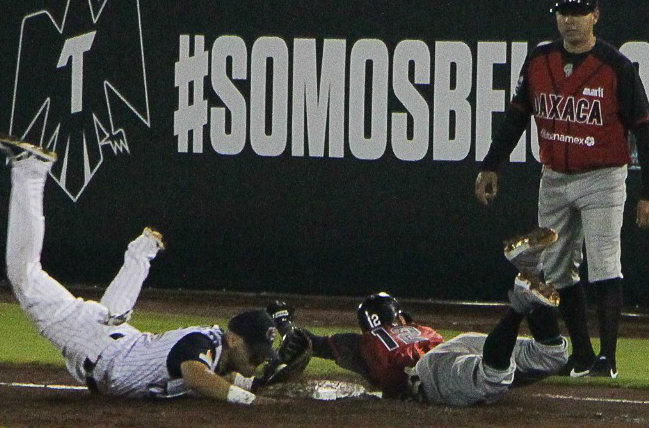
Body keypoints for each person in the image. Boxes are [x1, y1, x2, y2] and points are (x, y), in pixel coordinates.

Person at [3, 135, 292, 405]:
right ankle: (31, 170)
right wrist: (250, 399)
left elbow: (221, 374)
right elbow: (197, 376)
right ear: (233, 339)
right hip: (93, 341)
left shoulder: (217, 352)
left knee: (109, 313)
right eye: (254, 352)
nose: (257, 360)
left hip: (114, 343)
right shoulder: (202, 342)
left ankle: (141, 254)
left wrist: (264, 382)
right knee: (25, 276)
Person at [474, 0, 649, 380]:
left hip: (603, 178)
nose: (570, 21)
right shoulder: (539, 61)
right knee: (557, 270)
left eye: (578, 13)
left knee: (604, 264)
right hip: (555, 177)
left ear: (595, 15)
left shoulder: (617, 66)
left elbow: (644, 130)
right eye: (564, 13)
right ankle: (581, 354)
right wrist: (492, 164)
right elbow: (516, 118)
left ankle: (607, 360)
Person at [290, 229, 569, 406]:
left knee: (493, 379)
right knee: (551, 355)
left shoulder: (367, 343)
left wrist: (288, 329)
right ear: (400, 316)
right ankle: (532, 267)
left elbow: (320, 344)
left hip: (431, 372)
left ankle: (518, 305)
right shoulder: (418, 328)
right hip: (459, 346)